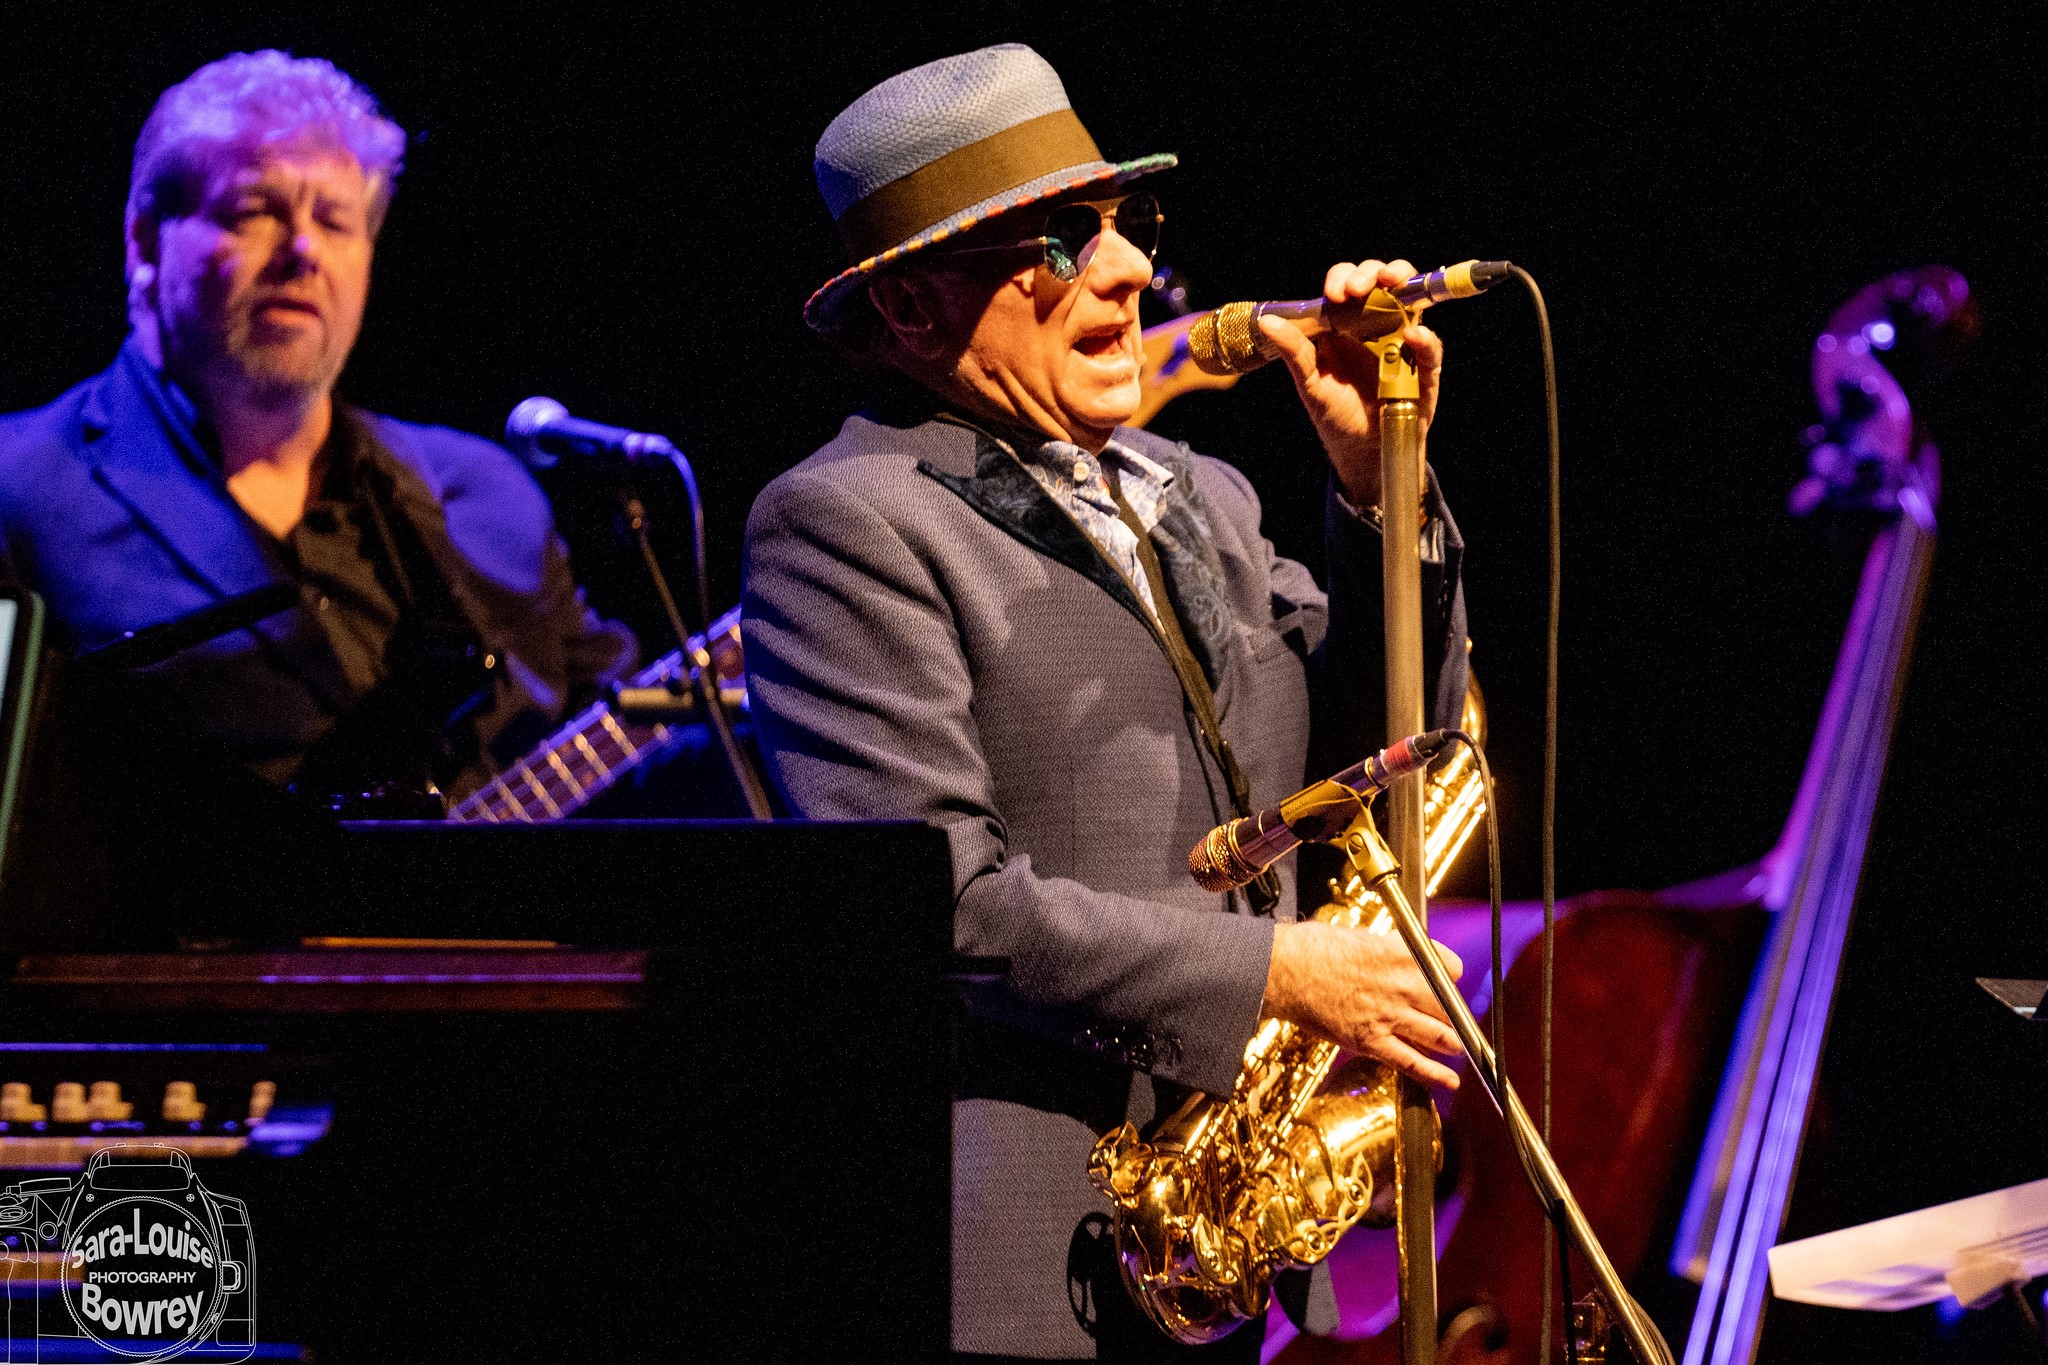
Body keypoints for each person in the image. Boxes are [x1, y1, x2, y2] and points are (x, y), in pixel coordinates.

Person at [743, 44, 1473, 1363]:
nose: (1128, 269)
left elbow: (1391, 754)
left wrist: (1383, 488)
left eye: (1124, 222)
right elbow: (940, 904)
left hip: (1232, 1242)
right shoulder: (845, 523)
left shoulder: (1206, 494)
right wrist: (1279, 974)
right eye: (1057, 241)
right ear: (910, 308)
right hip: (1031, 1273)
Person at [0, 51, 632, 809]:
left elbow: (650, 754)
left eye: (334, 221)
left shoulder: (486, 496)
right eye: (254, 211)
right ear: (145, 243)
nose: (302, 251)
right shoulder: (18, 488)